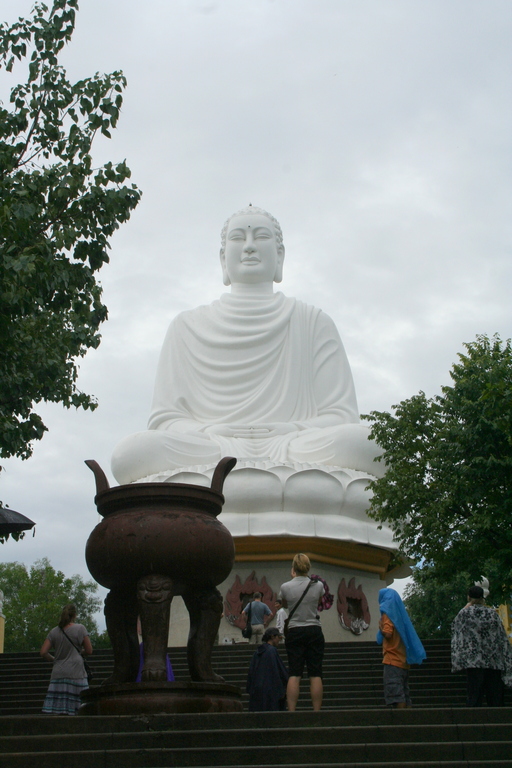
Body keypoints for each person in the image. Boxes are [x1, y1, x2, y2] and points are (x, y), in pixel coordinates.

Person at [111, 205, 383, 485]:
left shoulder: (312, 321)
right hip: (211, 447)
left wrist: (290, 430)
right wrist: (211, 432)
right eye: (238, 238)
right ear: (223, 258)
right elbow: (166, 420)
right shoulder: (186, 325)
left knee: (364, 443)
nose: (249, 247)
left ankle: (209, 489)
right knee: (132, 454)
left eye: (261, 237)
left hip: (293, 445)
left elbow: (341, 416)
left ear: (280, 255)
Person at [279, 553, 326, 711]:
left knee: (294, 673)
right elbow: (319, 602)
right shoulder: (318, 585)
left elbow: (285, 604)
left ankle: (292, 711)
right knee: (315, 673)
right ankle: (316, 711)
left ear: (293, 568)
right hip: (314, 629)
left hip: (295, 630)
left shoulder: (285, 587)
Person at [451, 585, 512, 707]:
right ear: (482, 597)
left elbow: (455, 627)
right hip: (493, 659)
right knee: (495, 695)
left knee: (474, 694)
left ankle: (473, 716)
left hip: (473, 660)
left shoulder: (464, 614)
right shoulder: (492, 614)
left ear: (469, 597)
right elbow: (501, 635)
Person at [377, 588, 426, 708]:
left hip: (392, 660)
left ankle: (400, 719)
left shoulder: (388, 614)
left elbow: (388, 634)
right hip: (403, 661)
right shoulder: (399, 616)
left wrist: (381, 629)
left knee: (397, 696)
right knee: (405, 694)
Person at [40, 603, 93, 715]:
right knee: (80, 709)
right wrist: (80, 652)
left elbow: (43, 652)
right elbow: (89, 650)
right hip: (76, 672)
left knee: (59, 712)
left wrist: (54, 659)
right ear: (74, 615)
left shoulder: (54, 631)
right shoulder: (80, 628)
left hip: (58, 673)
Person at [246, 627, 289, 711]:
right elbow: (279, 670)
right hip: (271, 689)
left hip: (258, 689)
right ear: (272, 637)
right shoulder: (272, 651)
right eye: (278, 637)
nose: (279, 640)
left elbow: (251, 671)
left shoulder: (257, 652)